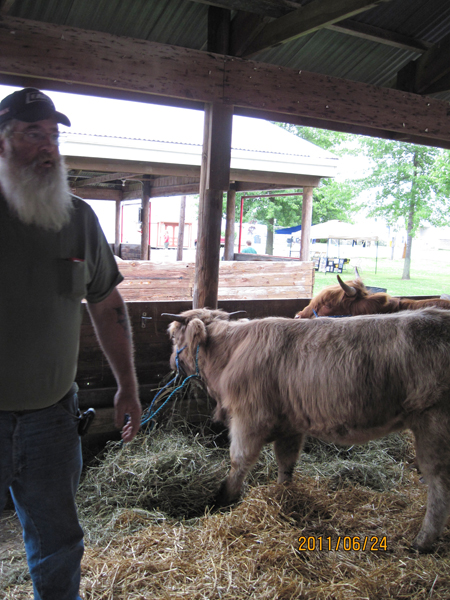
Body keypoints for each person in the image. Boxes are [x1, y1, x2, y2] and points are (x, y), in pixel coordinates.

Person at [0, 88, 142, 600]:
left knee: (58, 542)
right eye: (34, 134)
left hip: (53, 419)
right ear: (2, 144)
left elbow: (106, 306)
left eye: (54, 136)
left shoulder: (78, 218)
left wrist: (128, 386)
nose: (49, 148)